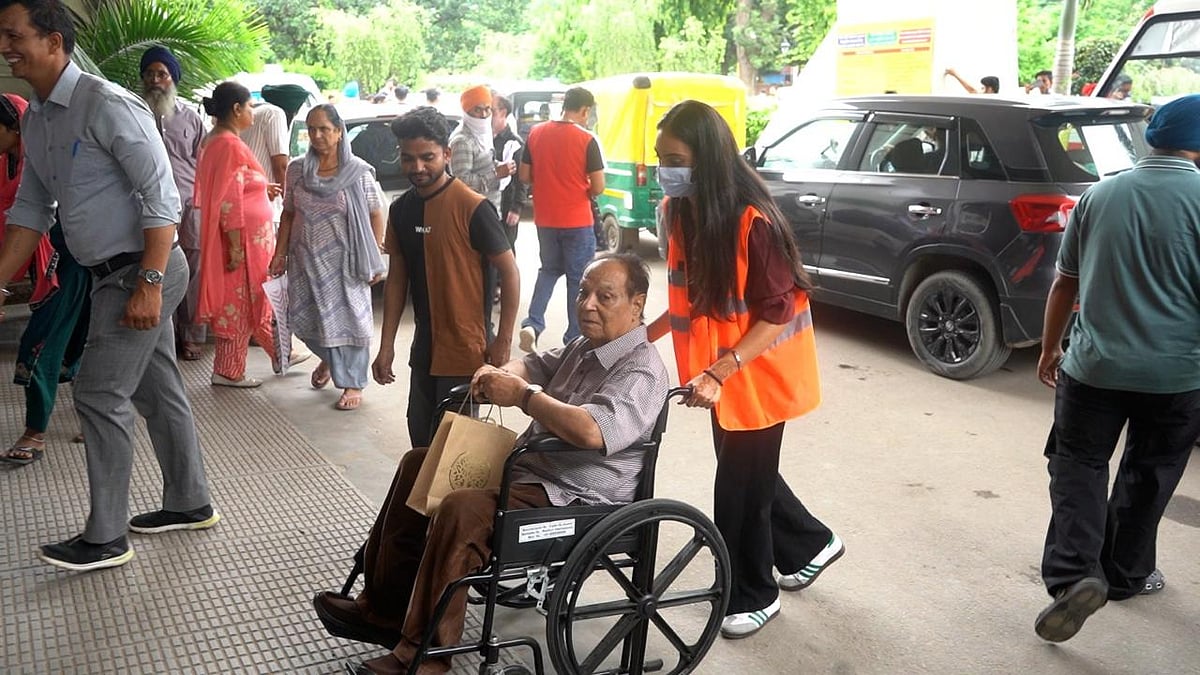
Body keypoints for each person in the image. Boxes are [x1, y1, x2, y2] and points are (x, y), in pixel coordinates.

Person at [317, 253, 669, 675]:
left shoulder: (642, 371)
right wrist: (497, 374)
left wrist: (522, 395)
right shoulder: (585, 348)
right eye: (583, 293)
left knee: (463, 510)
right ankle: (383, 609)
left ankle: (425, 655)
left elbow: (594, 432)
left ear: (636, 304)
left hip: (577, 499)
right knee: (418, 464)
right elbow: (534, 364)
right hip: (532, 472)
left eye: (604, 297)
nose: (587, 304)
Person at [0, 0, 219, 571]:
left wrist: (149, 283)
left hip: (142, 269)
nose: (5, 48)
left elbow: (162, 198)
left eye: (14, 36)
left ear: (54, 41)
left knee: (98, 393)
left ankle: (106, 537)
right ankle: (190, 502)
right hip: (107, 273)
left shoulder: (107, 104)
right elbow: (31, 209)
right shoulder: (37, 118)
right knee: (157, 390)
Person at [646, 100, 841, 640]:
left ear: (707, 158)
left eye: (675, 160)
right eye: (661, 158)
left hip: (759, 375)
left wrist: (720, 371)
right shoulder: (683, 211)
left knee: (738, 491)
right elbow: (691, 297)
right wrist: (639, 334)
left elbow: (778, 311)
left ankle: (754, 593)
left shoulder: (752, 221)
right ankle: (809, 545)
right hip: (724, 377)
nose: (666, 170)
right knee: (749, 477)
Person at [1032, 94, 1200, 643]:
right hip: (1179, 375)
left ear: (1153, 140)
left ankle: (1075, 575)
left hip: (1094, 368)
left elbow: (1065, 282)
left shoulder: (1100, 194)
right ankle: (1126, 575)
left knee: (1078, 465)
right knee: (1150, 472)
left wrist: (1049, 348)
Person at [372, 106, 519, 448]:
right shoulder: (401, 209)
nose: (418, 167)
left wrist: (503, 340)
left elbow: (510, 272)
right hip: (424, 349)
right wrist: (386, 345)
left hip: (466, 351)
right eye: (408, 159)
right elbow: (397, 281)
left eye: (428, 157)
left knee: (454, 451)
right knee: (420, 440)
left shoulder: (473, 207)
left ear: (447, 154)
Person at [269, 104, 386, 411]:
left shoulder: (357, 172)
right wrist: (279, 253)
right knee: (308, 319)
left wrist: (374, 255)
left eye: (324, 129)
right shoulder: (297, 170)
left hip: (346, 262)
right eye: (312, 129)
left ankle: (352, 382)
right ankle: (332, 360)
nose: (317, 135)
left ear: (338, 132)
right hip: (305, 260)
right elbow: (288, 213)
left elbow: (375, 213)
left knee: (352, 321)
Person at [0, 94, 90, 466]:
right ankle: (90, 416)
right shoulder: (8, 160)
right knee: (65, 342)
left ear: (14, 128)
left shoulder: (47, 158)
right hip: (44, 260)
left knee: (43, 343)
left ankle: (35, 434)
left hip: (71, 258)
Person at [194, 82, 281, 388]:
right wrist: (234, 247)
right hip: (242, 241)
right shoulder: (228, 144)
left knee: (244, 301)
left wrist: (261, 188)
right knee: (239, 303)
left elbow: (234, 185)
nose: (253, 113)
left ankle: (274, 354)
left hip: (244, 239)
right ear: (236, 109)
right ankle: (230, 370)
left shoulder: (218, 141)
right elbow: (228, 200)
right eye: (250, 107)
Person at [517, 87, 604, 352]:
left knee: (549, 270)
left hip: (545, 219)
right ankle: (574, 338)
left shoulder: (536, 133)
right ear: (585, 110)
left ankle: (533, 323)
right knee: (578, 280)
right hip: (577, 220)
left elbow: (524, 175)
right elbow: (599, 186)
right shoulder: (586, 140)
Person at [140, 45, 207, 362]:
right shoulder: (134, 115)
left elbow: (204, 163)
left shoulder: (191, 118)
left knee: (193, 270)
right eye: (150, 74)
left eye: (162, 74)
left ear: (173, 79)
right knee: (156, 268)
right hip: (150, 209)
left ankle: (191, 336)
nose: (155, 80)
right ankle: (158, 338)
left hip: (190, 207)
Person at [449, 85, 513, 214]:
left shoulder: (482, 133)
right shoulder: (462, 140)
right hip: (472, 213)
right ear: (466, 111)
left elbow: (484, 163)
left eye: (487, 109)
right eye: (477, 110)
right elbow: (461, 183)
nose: (483, 115)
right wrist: (495, 174)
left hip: (489, 208)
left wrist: (502, 166)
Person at [491, 93, 524, 247]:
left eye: (491, 110)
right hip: (487, 204)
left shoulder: (514, 142)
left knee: (505, 249)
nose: (486, 115)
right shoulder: (483, 139)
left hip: (506, 205)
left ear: (503, 113)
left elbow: (522, 180)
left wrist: (516, 208)